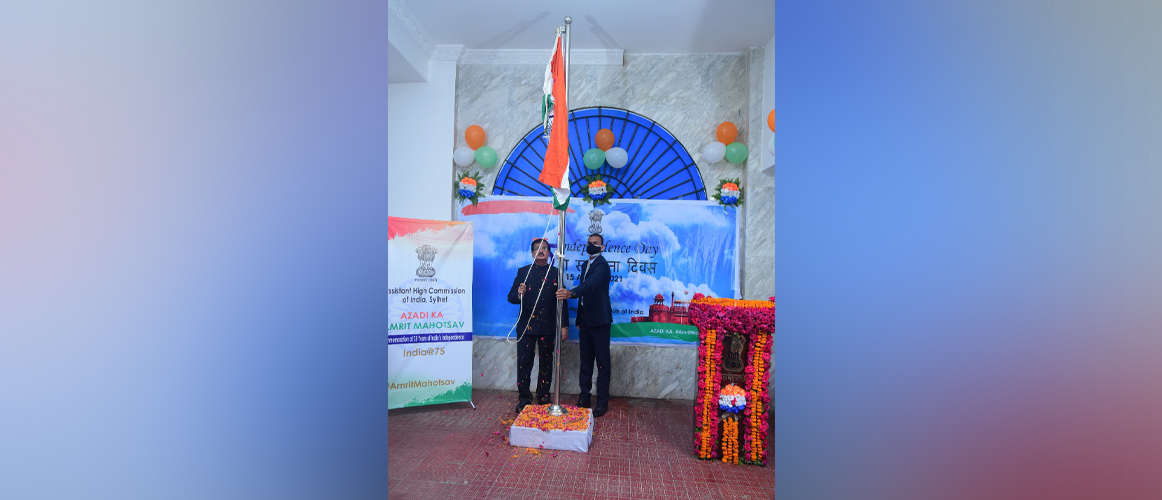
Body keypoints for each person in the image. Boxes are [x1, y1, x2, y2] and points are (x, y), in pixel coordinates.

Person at [507, 238, 569, 413]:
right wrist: (518, 293)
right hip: (526, 327)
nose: (540, 251)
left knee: (547, 363)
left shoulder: (557, 273)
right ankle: (524, 398)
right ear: (532, 253)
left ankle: (543, 396)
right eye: (536, 248)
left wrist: (564, 326)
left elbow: (562, 301)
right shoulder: (523, 272)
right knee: (524, 363)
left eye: (544, 248)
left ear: (549, 253)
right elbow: (510, 298)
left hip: (548, 327)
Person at [556, 233, 613, 417]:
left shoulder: (602, 266)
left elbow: (590, 286)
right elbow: (585, 297)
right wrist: (579, 319)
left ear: (602, 247)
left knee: (603, 363)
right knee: (586, 361)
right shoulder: (585, 264)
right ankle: (584, 397)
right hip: (586, 321)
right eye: (589, 243)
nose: (591, 246)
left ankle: (602, 401)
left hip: (600, 321)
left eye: (595, 244)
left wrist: (570, 293)